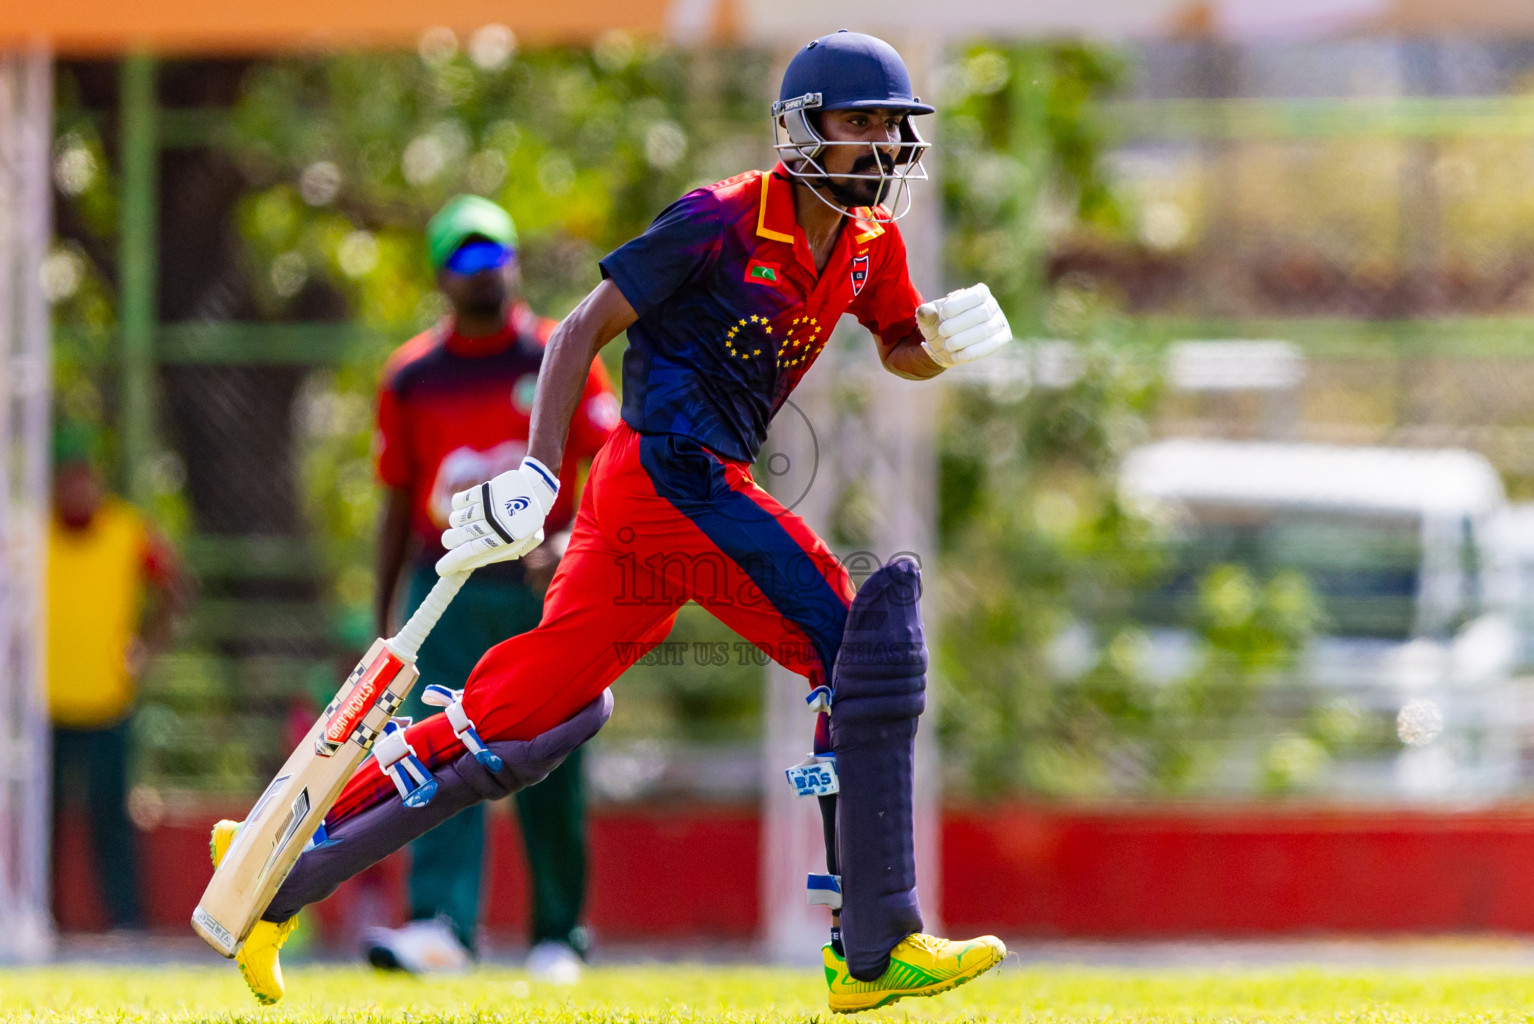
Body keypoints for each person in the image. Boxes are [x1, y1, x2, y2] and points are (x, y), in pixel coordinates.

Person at [224, 31, 1016, 1012]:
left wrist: (934, 345)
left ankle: (273, 863)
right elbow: (580, 327)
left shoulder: (869, 246)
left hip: (658, 493)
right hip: (665, 473)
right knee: (855, 646)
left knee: (521, 714)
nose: (884, 148)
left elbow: (897, 341)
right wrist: (539, 468)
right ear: (803, 127)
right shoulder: (721, 218)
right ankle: (872, 947)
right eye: (861, 125)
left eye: (893, 129)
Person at [360, 195, 618, 981]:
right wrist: (384, 625)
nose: (485, 272)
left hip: (548, 590)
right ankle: (439, 925)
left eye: (495, 255)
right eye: (467, 259)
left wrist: (573, 544)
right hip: (446, 593)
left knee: (555, 756)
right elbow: (399, 498)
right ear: (442, 275)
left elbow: (609, 468)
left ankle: (557, 935)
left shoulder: (558, 352)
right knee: (429, 756)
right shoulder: (411, 376)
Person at [49, 423, 187, 931]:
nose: (77, 487)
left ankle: (126, 920)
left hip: (109, 699)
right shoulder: (30, 532)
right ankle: (44, 920)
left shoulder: (127, 530)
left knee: (112, 818)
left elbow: (175, 586)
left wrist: (148, 645)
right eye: (67, 477)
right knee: (44, 827)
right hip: (45, 705)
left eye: (85, 477)